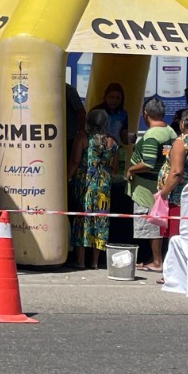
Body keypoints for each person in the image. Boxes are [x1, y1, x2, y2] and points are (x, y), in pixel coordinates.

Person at [126, 98, 177, 271]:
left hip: (147, 186)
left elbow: (148, 163)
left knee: (152, 222)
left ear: (145, 114)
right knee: (158, 220)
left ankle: (156, 261)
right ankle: (155, 258)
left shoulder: (152, 135)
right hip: (160, 183)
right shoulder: (170, 132)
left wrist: (131, 169)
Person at [71, 108, 120, 269]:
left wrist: (68, 176)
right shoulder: (112, 141)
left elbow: (75, 161)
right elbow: (115, 168)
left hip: (85, 183)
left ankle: (80, 260)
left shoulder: (83, 137)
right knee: (100, 221)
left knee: (82, 219)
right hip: (104, 186)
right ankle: (95, 262)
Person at [92, 83, 130, 147]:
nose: (114, 101)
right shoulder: (96, 112)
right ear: (105, 97)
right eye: (111, 97)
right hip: (97, 149)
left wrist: (134, 138)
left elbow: (124, 137)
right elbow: (90, 134)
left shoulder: (123, 114)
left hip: (115, 149)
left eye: (118, 98)